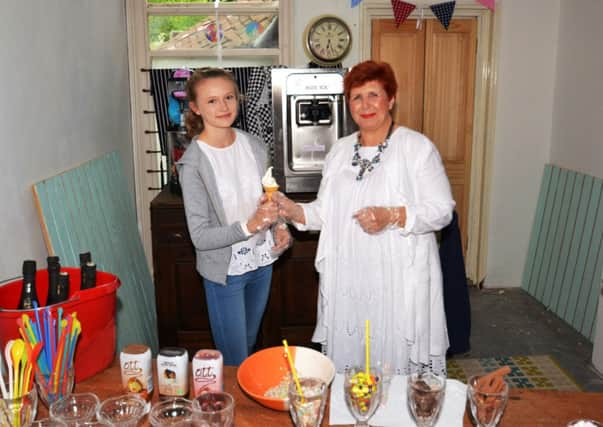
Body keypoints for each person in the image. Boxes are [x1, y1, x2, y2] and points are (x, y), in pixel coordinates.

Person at [274, 60, 455, 375]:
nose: (365, 105)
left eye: (374, 95)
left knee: (395, 365)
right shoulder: (340, 151)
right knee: (353, 363)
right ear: (348, 105)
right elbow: (325, 211)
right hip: (350, 278)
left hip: (397, 280)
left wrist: (392, 215)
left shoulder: (416, 147)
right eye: (357, 97)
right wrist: (292, 209)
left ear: (391, 100)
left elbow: (441, 210)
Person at [178, 68, 291, 366]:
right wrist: (250, 225)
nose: (224, 107)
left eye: (229, 97)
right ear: (195, 107)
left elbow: (269, 195)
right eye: (212, 101)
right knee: (235, 359)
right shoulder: (193, 164)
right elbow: (200, 237)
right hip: (225, 273)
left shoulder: (253, 145)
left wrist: (280, 226)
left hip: (262, 262)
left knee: (248, 347)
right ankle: (232, 412)